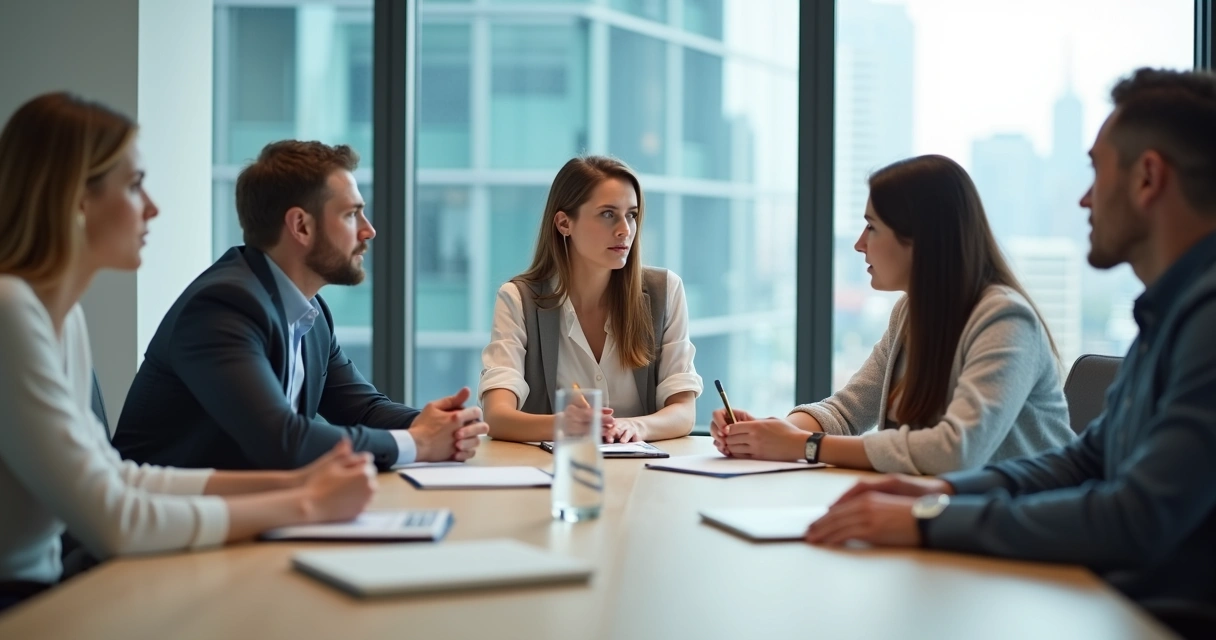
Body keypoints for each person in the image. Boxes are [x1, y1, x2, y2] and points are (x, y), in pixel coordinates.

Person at [803, 68, 1216, 618]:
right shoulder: (1167, 314)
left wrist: (932, 519)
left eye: (1095, 172)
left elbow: (1135, 517)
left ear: (1147, 178)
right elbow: (1086, 459)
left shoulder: (1206, 322)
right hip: (1102, 593)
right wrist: (946, 495)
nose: (1084, 200)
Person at [0, 93, 376, 612]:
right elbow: (117, 520)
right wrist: (304, 502)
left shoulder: (59, 317)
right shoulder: (9, 311)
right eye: (133, 186)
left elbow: (119, 476)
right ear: (76, 200)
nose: (152, 207)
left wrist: (296, 480)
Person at [112, 141, 488, 471]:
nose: (368, 230)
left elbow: (364, 410)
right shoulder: (222, 307)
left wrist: (437, 424)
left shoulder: (311, 313)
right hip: (160, 536)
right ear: (301, 226)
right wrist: (419, 442)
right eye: (350, 214)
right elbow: (283, 441)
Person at [711, 154, 1074, 474]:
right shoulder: (910, 312)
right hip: (949, 518)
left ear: (921, 240)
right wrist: (769, 434)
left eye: (872, 226)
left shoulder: (1005, 320)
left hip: (1024, 536)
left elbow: (955, 451)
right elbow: (847, 412)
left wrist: (802, 446)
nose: (859, 243)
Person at [479, 156, 702, 443]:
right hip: (551, 476)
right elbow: (497, 417)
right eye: (608, 214)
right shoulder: (519, 299)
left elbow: (684, 411)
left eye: (631, 215)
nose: (625, 229)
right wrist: (566, 424)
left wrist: (636, 427)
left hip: (640, 475)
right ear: (563, 223)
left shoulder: (665, 291)